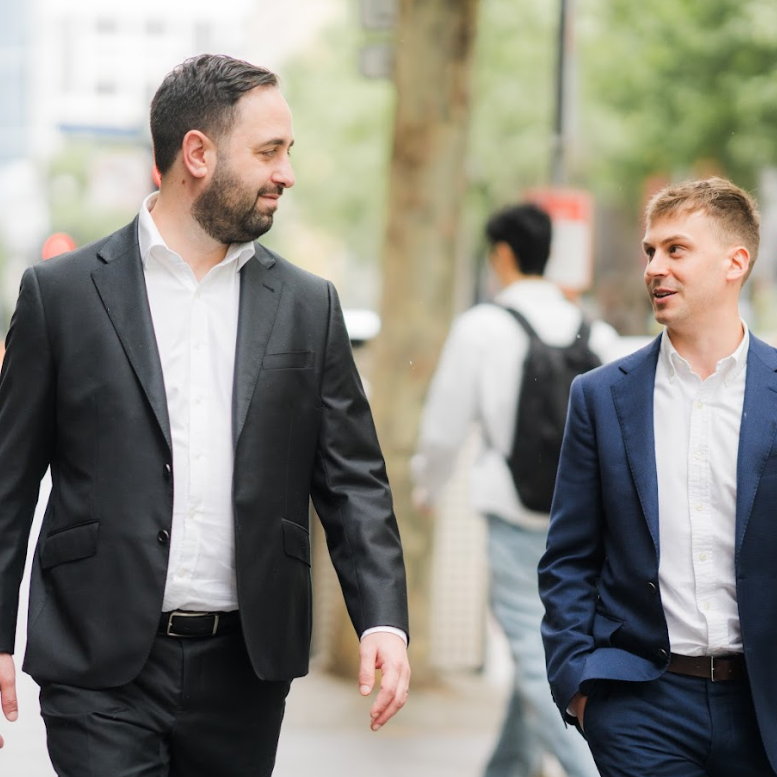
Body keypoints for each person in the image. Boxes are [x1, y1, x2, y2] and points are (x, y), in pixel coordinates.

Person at [0, 54, 410, 777]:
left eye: (287, 152)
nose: (286, 173)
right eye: (269, 151)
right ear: (197, 153)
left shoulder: (308, 306)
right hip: (97, 662)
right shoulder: (58, 296)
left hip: (245, 668)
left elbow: (353, 480)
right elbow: (7, 485)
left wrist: (381, 617)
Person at [539, 176, 777, 776]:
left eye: (676, 249)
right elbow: (568, 557)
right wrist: (580, 686)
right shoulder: (600, 397)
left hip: (764, 704)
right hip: (643, 703)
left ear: (735, 262)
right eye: (650, 251)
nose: (654, 267)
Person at [412, 203, 617, 777]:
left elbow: (444, 426)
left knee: (535, 657)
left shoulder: (481, 327)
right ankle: (507, 768)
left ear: (502, 254)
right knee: (546, 646)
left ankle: (597, 768)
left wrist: (429, 483)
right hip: (584, 520)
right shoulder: (591, 328)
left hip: (515, 515)